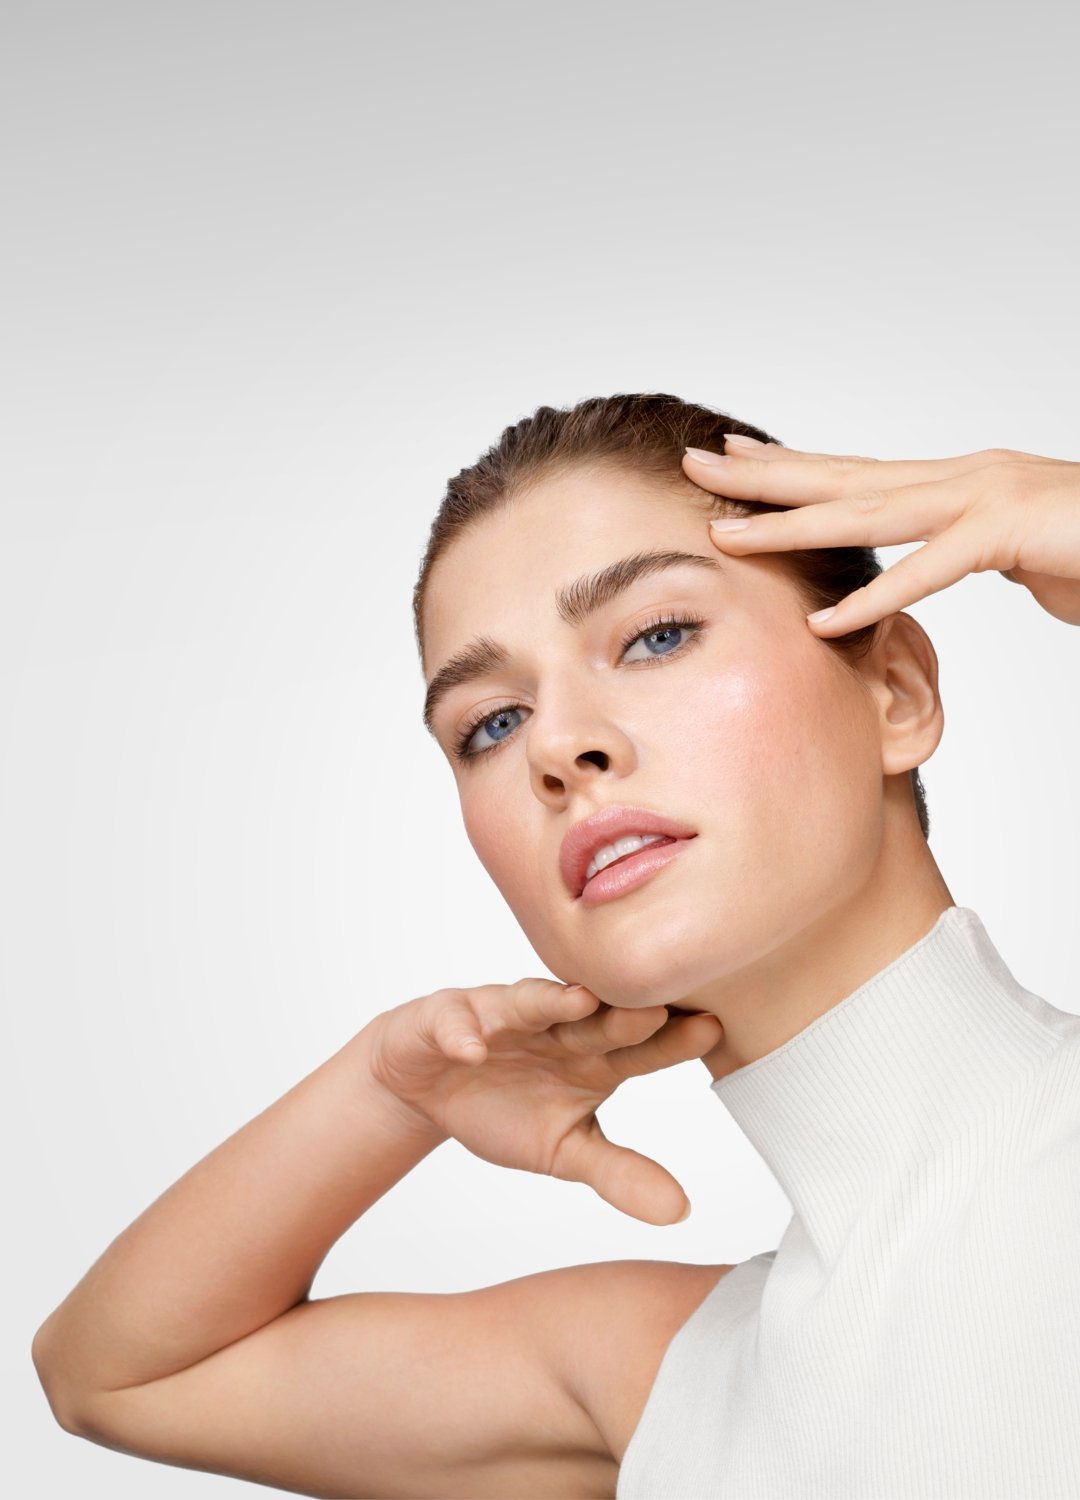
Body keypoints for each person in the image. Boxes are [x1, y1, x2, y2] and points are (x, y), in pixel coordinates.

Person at [31, 394, 1080, 1498]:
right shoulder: (680, 1379)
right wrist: (388, 1094)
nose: (560, 746)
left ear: (896, 690)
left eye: (657, 635)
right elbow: (117, 1376)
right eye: (493, 723)